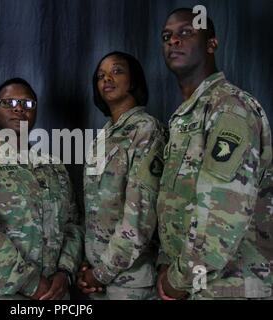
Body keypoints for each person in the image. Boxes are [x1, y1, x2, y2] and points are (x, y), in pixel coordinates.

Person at [157, 8, 273, 300]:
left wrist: (177, 279)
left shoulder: (229, 107)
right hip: (197, 285)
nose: (173, 41)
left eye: (186, 32)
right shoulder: (187, 115)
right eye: (167, 36)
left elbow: (223, 216)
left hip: (231, 286)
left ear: (212, 44)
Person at [0, 77, 83, 300]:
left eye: (28, 104)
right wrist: (30, 284)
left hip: (54, 294)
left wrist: (65, 273)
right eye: (9, 102)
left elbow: (74, 225)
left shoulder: (53, 167)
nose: (19, 108)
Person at [77, 51, 166, 300]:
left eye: (117, 71)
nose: (107, 78)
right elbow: (95, 211)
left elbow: (141, 217)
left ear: (133, 80)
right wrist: (88, 267)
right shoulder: (102, 137)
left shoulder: (147, 130)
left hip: (131, 282)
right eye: (100, 75)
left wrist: (101, 273)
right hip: (98, 279)